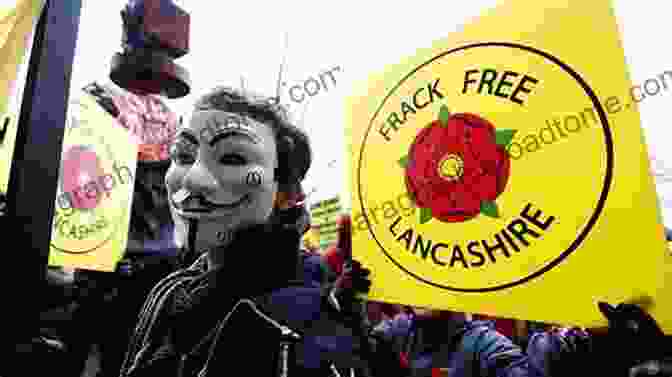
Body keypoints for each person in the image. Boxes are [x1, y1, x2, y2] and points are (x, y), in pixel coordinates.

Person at [119, 86, 372, 377]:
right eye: (184, 155)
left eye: (232, 159)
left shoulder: (297, 315)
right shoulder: (172, 289)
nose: (194, 179)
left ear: (286, 193)